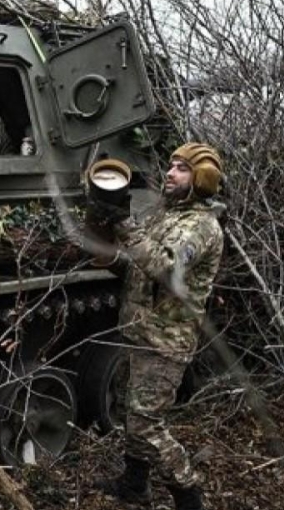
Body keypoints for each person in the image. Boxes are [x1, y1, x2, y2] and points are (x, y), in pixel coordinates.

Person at [89, 143, 225, 510]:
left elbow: (167, 269)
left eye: (181, 168)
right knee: (133, 415)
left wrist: (126, 225)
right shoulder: (165, 215)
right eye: (171, 165)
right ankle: (135, 484)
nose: (170, 172)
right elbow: (139, 266)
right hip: (140, 330)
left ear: (202, 179)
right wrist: (106, 243)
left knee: (147, 423)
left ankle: (189, 495)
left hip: (166, 341)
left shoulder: (202, 227)